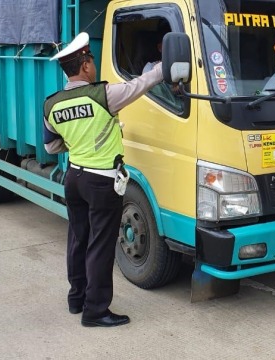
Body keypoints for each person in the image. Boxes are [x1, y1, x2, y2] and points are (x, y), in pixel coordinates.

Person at [43, 32, 164, 328]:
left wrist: (79, 141)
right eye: (92, 60)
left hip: (74, 177)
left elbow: (51, 147)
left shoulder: (52, 104)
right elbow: (142, 84)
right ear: (85, 66)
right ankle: (96, 311)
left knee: (78, 239)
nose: (94, 65)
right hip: (102, 182)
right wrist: (165, 65)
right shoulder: (103, 95)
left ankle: (77, 299)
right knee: (100, 245)